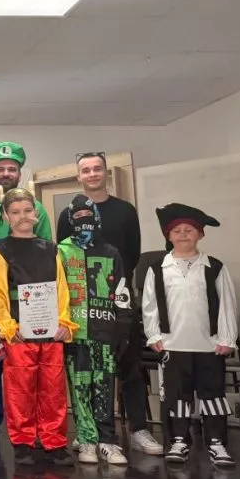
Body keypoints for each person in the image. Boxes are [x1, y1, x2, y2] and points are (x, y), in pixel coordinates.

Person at [55, 152, 160, 456]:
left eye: (97, 169)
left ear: (105, 173)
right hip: (80, 308)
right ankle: (87, 431)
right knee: (84, 371)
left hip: (116, 300)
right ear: (79, 176)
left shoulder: (125, 210)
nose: (92, 174)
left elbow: (133, 253)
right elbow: (64, 257)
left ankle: (139, 429)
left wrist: (115, 295)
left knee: (129, 365)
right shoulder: (67, 215)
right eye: (86, 170)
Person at [142, 203, 238, 467]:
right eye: (177, 231)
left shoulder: (214, 267)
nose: (183, 234)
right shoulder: (158, 268)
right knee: (177, 396)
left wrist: (227, 338)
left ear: (200, 234)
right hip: (173, 344)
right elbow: (150, 304)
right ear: (168, 235)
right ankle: (179, 440)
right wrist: (153, 335)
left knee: (212, 394)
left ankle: (217, 442)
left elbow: (227, 303)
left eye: (189, 230)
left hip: (209, 345)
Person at [0, 188, 75, 467]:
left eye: (27, 210)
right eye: (15, 212)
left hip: (51, 330)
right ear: (6, 216)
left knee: (53, 388)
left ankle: (54, 440)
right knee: (20, 388)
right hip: (19, 332)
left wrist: (64, 322)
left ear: (36, 212)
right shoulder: (1, 251)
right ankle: (23, 441)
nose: (22, 216)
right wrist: (6, 325)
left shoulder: (51, 249)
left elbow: (62, 288)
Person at [0, 141, 51, 451]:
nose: (6, 173)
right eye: (0, 169)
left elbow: (47, 256)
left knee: (33, 368)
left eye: (12, 169)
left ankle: (37, 430)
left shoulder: (37, 209)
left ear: (19, 173)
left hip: (28, 302)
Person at [57, 195, 132, 466]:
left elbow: (122, 291)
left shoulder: (111, 252)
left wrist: (122, 327)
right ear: (70, 220)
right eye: (77, 217)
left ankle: (107, 440)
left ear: (97, 218)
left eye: (88, 215)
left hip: (104, 330)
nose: (83, 221)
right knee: (79, 386)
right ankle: (87, 438)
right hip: (74, 332)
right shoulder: (61, 251)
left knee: (104, 387)